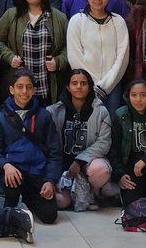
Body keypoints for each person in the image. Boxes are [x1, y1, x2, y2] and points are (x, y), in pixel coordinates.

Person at [0, 68, 62, 224]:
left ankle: (30, 197)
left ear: (34, 90)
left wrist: (50, 180)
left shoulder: (44, 116)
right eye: (20, 86)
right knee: (10, 209)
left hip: (38, 172)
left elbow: (54, 152)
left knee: (50, 216)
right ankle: (11, 200)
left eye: (29, 87)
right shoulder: (0, 118)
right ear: (12, 89)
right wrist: (5, 165)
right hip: (15, 172)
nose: (24, 91)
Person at [0, 0, 68, 103]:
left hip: (49, 87)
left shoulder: (59, 17)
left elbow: (70, 47)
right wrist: (10, 57)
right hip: (20, 89)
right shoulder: (11, 15)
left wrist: (59, 61)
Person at [46, 69, 113, 210]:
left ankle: (90, 193)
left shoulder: (101, 111)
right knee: (61, 203)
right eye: (74, 83)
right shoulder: (53, 111)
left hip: (87, 164)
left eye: (83, 83)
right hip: (63, 166)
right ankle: (71, 195)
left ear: (89, 87)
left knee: (101, 170)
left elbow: (104, 142)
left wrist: (79, 160)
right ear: (67, 87)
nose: (79, 87)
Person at [66, 0, 129, 113]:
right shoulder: (77, 21)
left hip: (113, 85)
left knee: (111, 125)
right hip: (85, 85)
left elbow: (122, 56)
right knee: (88, 126)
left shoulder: (118, 22)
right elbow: (74, 56)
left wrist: (106, 85)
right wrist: (90, 83)